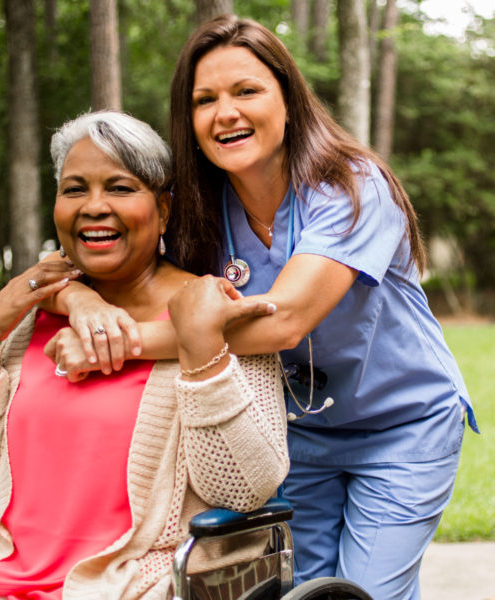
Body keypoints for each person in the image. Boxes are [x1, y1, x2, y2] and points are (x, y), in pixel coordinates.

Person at [44, 16, 479, 600]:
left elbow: (285, 320)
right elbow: (79, 257)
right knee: (296, 589)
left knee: (368, 591)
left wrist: (121, 342)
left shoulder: (353, 187)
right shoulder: (199, 212)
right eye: (205, 99)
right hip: (297, 434)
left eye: (246, 91)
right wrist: (77, 299)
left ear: (289, 100)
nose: (226, 112)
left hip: (401, 425)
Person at [0, 110, 290, 600]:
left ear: (163, 211)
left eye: (120, 187)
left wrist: (202, 352)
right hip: (6, 569)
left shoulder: (210, 311)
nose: (94, 206)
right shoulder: (28, 320)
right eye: (74, 189)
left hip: (139, 576)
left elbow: (241, 491)